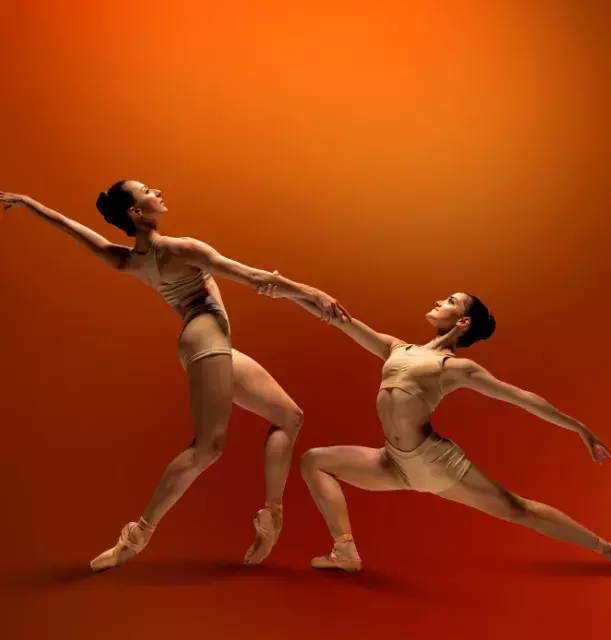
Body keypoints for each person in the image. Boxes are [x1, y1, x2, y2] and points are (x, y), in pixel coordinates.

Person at [0, 184, 350, 572]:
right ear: (135, 213)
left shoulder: (128, 259)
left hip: (210, 342)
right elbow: (251, 278)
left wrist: (30, 203)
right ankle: (135, 537)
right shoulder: (181, 248)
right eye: (146, 191)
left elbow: (76, 231)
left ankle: (271, 516)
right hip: (206, 339)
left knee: (289, 417)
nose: (157, 190)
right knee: (208, 448)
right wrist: (313, 294)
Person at [258, 278, 611, 571]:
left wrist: (578, 428)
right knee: (314, 461)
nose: (440, 302)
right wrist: (291, 291)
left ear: (463, 321)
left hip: (434, 462)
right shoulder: (398, 349)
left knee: (516, 508)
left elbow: (521, 397)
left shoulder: (455, 368)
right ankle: (345, 551)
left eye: (451, 302)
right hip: (394, 464)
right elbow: (339, 319)